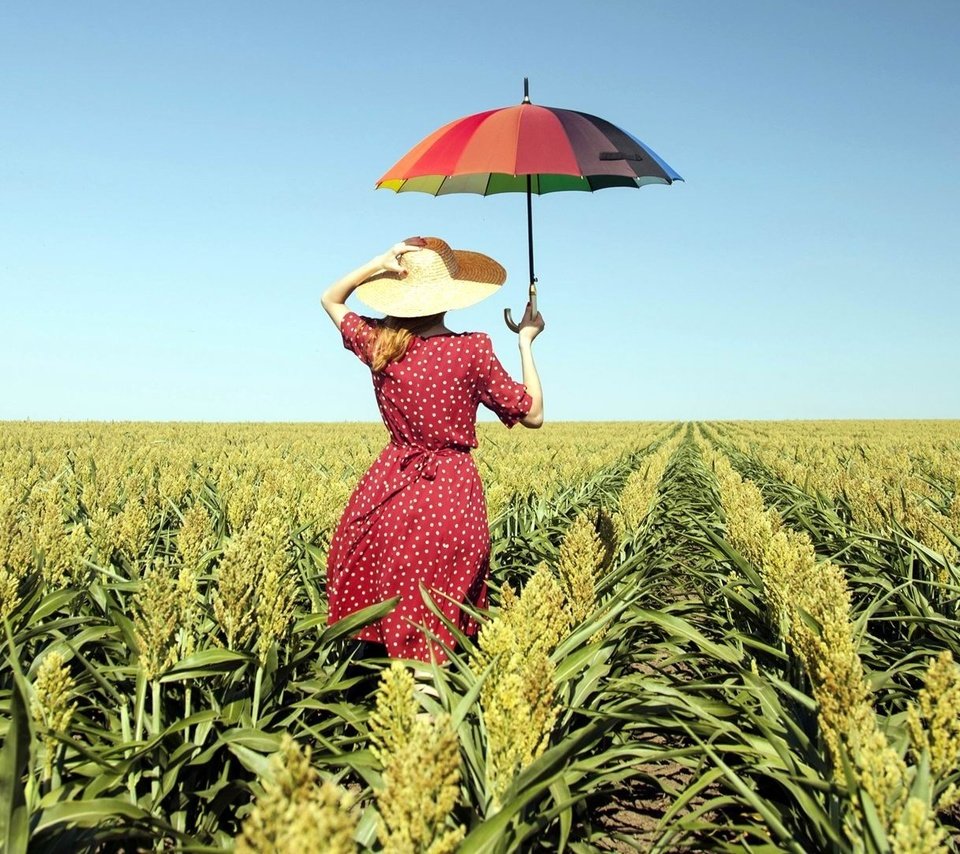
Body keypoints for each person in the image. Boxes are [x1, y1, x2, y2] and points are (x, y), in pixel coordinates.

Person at [320, 235, 545, 662]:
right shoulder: (471, 350)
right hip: (450, 496)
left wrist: (376, 263)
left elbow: (331, 300)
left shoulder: (379, 343)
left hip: (390, 491)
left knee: (394, 608)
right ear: (451, 296)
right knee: (435, 622)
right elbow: (531, 414)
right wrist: (526, 342)